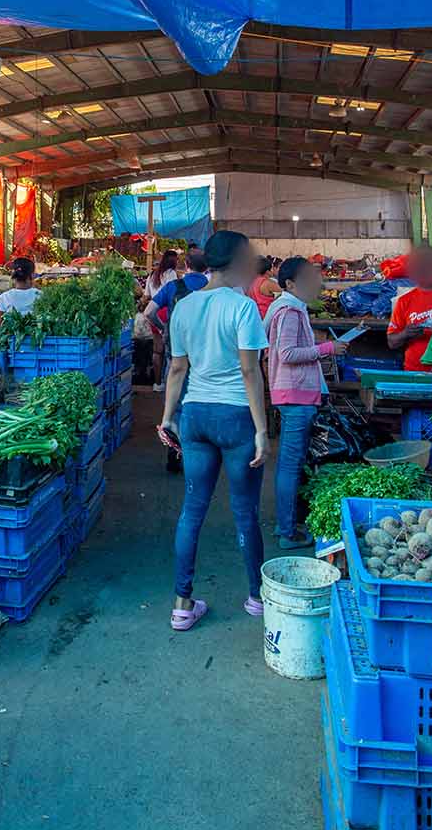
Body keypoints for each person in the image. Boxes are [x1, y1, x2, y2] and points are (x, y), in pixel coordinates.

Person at [159, 231, 269, 630]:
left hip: (196, 415)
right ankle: (256, 596)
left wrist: (167, 417)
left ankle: (182, 605)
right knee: (245, 512)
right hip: (236, 417)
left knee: (192, 510)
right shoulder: (243, 308)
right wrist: (261, 429)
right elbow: (249, 370)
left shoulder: (185, 306)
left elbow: (177, 368)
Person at [264, 257, 346, 550]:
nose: (316, 283)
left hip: (295, 394)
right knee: (290, 463)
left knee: (292, 462)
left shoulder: (291, 308)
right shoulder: (288, 311)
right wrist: (327, 348)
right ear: (290, 284)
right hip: (294, 395)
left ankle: (285, 525)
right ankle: (287, 532)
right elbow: (287, 353)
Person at [143, 248, 210, 397]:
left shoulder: (174, 286)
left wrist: (163, 327)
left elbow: (148, 312)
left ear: (186, 265)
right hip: (206, 348)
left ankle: (171, 413)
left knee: (174, 375)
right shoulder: (214, 287)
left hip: (176, 343)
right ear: (206, 267)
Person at [0, 257, 40, 324]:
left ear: (13, 275)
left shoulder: (4, 297)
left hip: (10, 334)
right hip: (36, 334)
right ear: (32, 275)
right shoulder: (41, 295)